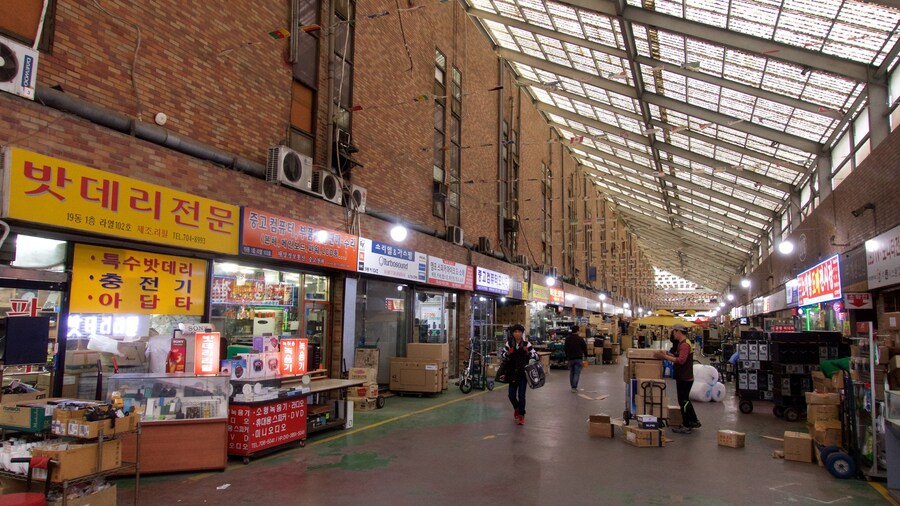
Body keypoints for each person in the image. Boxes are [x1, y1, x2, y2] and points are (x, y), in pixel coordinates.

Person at [655, 323, 700, 433]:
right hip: (684, 376)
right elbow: (677, 356)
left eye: (674, 332)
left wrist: (665, 357)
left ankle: (687, 424)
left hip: (685, 378)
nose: (673, 334)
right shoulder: (682, 343)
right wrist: (667, 353)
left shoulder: (684, 345)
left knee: (683, 401)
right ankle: (693, 421)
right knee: (685, 401)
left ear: (678, 332)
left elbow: (681, 360)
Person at [500, 324, 539, 425]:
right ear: (512, 333)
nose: (517, 333)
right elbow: (502, 354)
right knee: (511, 395)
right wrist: (507, 353)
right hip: (512, 373)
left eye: (519, 332)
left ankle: (521, 415)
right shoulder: (509, 344)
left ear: (522, 333)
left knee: (522, 396)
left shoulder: (527, 344)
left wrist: (529, 353)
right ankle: (516, 408)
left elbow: (536, 356)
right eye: (515, 332)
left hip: (523, 374)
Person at [564, 325, 588, 393]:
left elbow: (565, 348)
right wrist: (586, 356)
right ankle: (574, 387)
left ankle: (572, 387)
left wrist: (567, 356)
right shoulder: (580, 339)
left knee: (572, 373)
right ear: (577, 331)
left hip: (570, 358)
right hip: (578, 358)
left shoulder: (568, 339)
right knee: (577, 373)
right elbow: (585, 348)